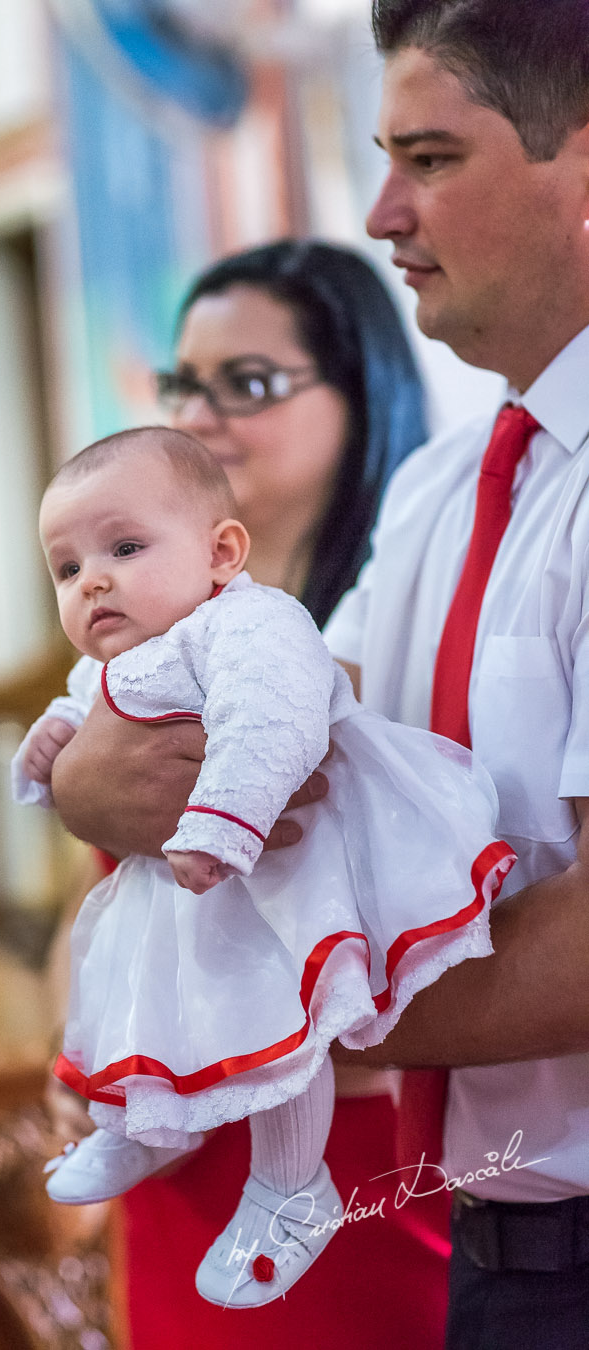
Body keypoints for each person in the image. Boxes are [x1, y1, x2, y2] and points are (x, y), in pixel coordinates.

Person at [48, 240, 452, 1348]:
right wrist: (71, 1049)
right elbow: (98, 895)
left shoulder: (382, 639)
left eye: (251, 383)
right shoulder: (140, 631)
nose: (202, 412)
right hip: (165, 1139)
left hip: (334, 1140)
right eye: (183, 382)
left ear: (360, 394)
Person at [16, 426, 511, 1310]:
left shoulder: (252, 621)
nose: (91, 579)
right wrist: (54, 755)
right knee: (140, 986)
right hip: (195, 894)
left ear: (221, 553)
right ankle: (142, 1118)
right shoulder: (131, 657)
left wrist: (221, 826)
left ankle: (290, 1184)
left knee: (278, 1030)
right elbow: (78, 712)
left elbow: (270, 724)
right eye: (66, 567)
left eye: (123, 549)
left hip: (280, 879)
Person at [317, 4, 589, 1345]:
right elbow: (270, 738)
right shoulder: (442, 484)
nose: (381, 213)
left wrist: (296, 1021)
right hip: (496, 1235)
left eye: (430, 160)